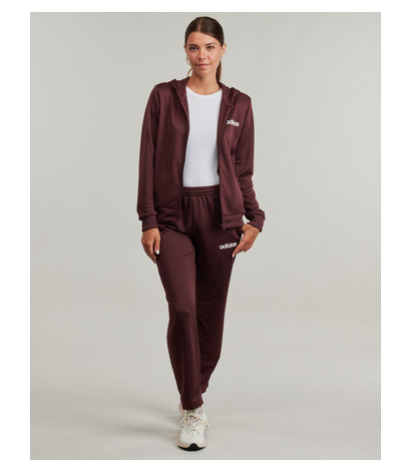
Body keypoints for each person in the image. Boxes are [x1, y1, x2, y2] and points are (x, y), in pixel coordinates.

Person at [136, 16, 266, 451]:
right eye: (194, 47)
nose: (202, 55)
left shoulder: (240, 104)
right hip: (173, 217)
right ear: (185, 51)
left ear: (223, 50)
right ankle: (193, 407)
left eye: (209, 47)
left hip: (220, 217)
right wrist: (148, 219)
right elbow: (148, 158)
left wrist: (254, 217)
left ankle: (194, 386)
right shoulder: (164, 96)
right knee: (184, 308)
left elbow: (242, 170)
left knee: (211, 319)